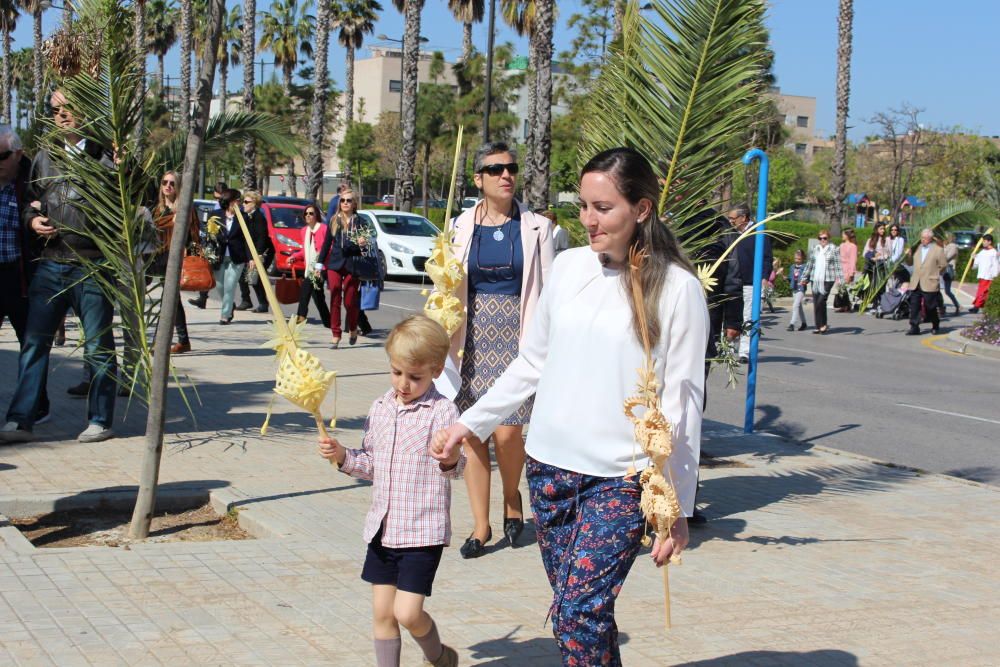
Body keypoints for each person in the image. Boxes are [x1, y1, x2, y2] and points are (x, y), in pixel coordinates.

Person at [432, 147, 707, 664]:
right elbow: (530, 364)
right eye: (583, 206)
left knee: (577, 612)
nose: (587, 220)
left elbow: (682, 406)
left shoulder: (678, 290)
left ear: (641, 210)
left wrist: (677, 508)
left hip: (621, 481)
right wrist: (467, 423)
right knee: (584, 614)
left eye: (602, 208)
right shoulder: (567, 267)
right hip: (550, 473)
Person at [318, 315, 464, 667]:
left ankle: (441, 657)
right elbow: (370, 464)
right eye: (397, 372)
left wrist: (451, 454)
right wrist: (342, 457)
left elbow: (455, 470)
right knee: (383, 614)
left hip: (420, 531)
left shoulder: (442, 411)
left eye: (415, 377)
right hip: (382, 529)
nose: (403, 383)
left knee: (407, 613)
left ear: (435, 371)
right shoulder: (380, 408)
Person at [439, 141, 555, 559]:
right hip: (470, 337)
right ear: (478, 179)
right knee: (473, 432)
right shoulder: (459, 226)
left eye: (511, 168)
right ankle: (480, 525)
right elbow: (446, 282)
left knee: (508, 432)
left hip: (518, 335)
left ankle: (512, 497)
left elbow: (549, 289)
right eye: (495, 169)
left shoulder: (539, 227)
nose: (506, 175)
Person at [0, 91, 117, 444]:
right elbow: (29, 205)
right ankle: (21, 420)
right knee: (34, 343)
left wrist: (127, 166)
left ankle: (100, 420)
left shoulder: (106, 156)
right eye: (55, 109)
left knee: (97, 346)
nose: (62, 114)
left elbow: (134, 198)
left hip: (93, 264)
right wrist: (33, 221)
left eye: (70, 107)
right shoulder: (45, 158)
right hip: (52, 263)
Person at [0, 125, 50, 423]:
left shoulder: (33, 182)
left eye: (2, 155)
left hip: (21, 277)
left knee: (30, 345)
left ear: (18, 154)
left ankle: (37, 405)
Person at [149, 170, 199, 353]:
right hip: (159, 259)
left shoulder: (185, 208)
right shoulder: (158, 209)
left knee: (167, 301)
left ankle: (158, 342)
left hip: (176, 260)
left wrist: (181, 225)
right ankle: (183, 341)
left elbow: (194, 236)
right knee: (173, 301)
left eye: (172, 183)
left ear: (178, 187)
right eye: (164, 182)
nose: (167, 186)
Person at [317, 189, 369, 346]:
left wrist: (363, 242)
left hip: (353, 265)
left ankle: (353, 328)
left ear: (354, 203)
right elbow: (326, 244)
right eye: (342, 200)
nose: (345, 203)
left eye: (348, 200)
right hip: (335, 264)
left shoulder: (361, 221)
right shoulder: (334, 220)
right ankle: (336, 333)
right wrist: (319, 264)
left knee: (350, 301)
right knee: (334, 294)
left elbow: (367, 246)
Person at [729, 203, 772, 363]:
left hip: (750, 282)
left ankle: (744, 352)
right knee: (734, 315)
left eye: (733, 218)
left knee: (749, 317)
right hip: (733, 281)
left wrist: (764, 277)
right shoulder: (733, 233)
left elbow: (767, 257)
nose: (731, 221)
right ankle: (729, 347)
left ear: (744, 217)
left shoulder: (759, 233)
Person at [207, 188, 249, 325]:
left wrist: (251, 258)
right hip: (219, 256)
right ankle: (230, 306)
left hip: (236, 257)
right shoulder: (215, 215)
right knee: (220, 286)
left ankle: (225, 315)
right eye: (238, 200)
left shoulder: (244, 217)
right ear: (231, 201)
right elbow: (208, 234)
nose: (240, 203)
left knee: (230, 286)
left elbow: (247, 240)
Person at [187, 181, 228, 310]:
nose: (218, 199)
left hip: (221, 245)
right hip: (213, 243)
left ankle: (233, 302)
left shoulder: (223, 208)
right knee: (207, 270)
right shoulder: (217, 206)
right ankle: (203, 299)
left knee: (221, 278)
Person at [293, 203, 330, 328]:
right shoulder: (304, 231)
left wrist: (319, 264)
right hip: (309, 268)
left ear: (316, 215)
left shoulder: (323, 228)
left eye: (311, 213)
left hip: (321, 268)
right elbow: (305, 250)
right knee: (318, 298)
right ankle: (329, 323)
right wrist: (294, 256)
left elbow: (328, 248)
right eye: (306, 214)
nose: (308, 216)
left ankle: (301, 316)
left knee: (305, 288)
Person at [800, 229, 843, 335]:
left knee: (821, 301)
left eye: (825, 238)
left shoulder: (834, 249)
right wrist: (804, 277)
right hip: (815, 279)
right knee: (817, 302)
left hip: (828, 279)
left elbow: (838, 265)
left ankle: (823, 325)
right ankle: (819, 325)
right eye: (820, 238)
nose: (822, 240)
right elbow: (810, 264)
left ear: (828, 238)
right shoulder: (815, 248)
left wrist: (841, 281)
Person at [235, 190, 272, 313]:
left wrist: (256, 258)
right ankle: (247, 301)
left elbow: (262, 238)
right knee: (243, 277)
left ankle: (263, 304)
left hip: (262, 252)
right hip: (251, 252)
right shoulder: (248, 216)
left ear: (254, 203)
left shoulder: (259, 217)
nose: (243, 204)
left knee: (255, 278)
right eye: (243, 202)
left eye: (246, 202)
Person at [905, 228, 947, 336]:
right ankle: (914, 326)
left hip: (930, 282)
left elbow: (943, 265)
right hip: (916, 282)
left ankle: (935, 324)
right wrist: (908, 255)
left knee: (930, 306)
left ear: (930, 238)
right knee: (914, 306)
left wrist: (935, 274)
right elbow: (909, 263)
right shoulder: (917, 248)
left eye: (925, 238)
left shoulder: (938, 249)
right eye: (922, 237)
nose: (922, 240)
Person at [970, 233, 999, 314]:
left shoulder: (993, 252)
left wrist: (995, 275)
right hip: (982, 275)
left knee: (982, 292)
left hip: (988, 276)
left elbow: (996, 265)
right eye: (983, 241)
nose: (983, 243)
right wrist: (974, 257)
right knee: (982, 292)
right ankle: (979, 306)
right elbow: (977, 262)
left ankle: (976, 307)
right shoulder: (982, 251)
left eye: (985, 241)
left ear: (989, 242)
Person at [836, 228, 858, 312]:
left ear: (847, 236)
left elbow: (853, 260)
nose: (842, 236)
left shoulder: (853, 246)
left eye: (843, 234)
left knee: (843, 287)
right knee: (840, 288)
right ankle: (845, 305)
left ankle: (846, 305)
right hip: (840, 268)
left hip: (847, 269)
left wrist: (851, 273)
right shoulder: (841, 245)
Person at [787, 249, 808, 331]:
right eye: (795, 258)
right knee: (799, 308)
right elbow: (790, 277)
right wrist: (785, 277)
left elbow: (808, 277)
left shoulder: (805, 267)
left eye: (799, 259)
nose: (797, 260)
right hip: (794, 288)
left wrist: (806, 281)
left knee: (795, 305)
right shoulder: (792, 267)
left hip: (801, 288)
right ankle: (804, 323)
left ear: (802, 259)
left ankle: (792, 324)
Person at [941, 232, 961, 315]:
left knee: (947, 291)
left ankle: (956, 305)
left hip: (948, 270)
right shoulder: (948, 246)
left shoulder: (952, 247)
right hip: (943, 269)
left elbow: (947, 258)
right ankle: (942, 307)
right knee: (945, 290)